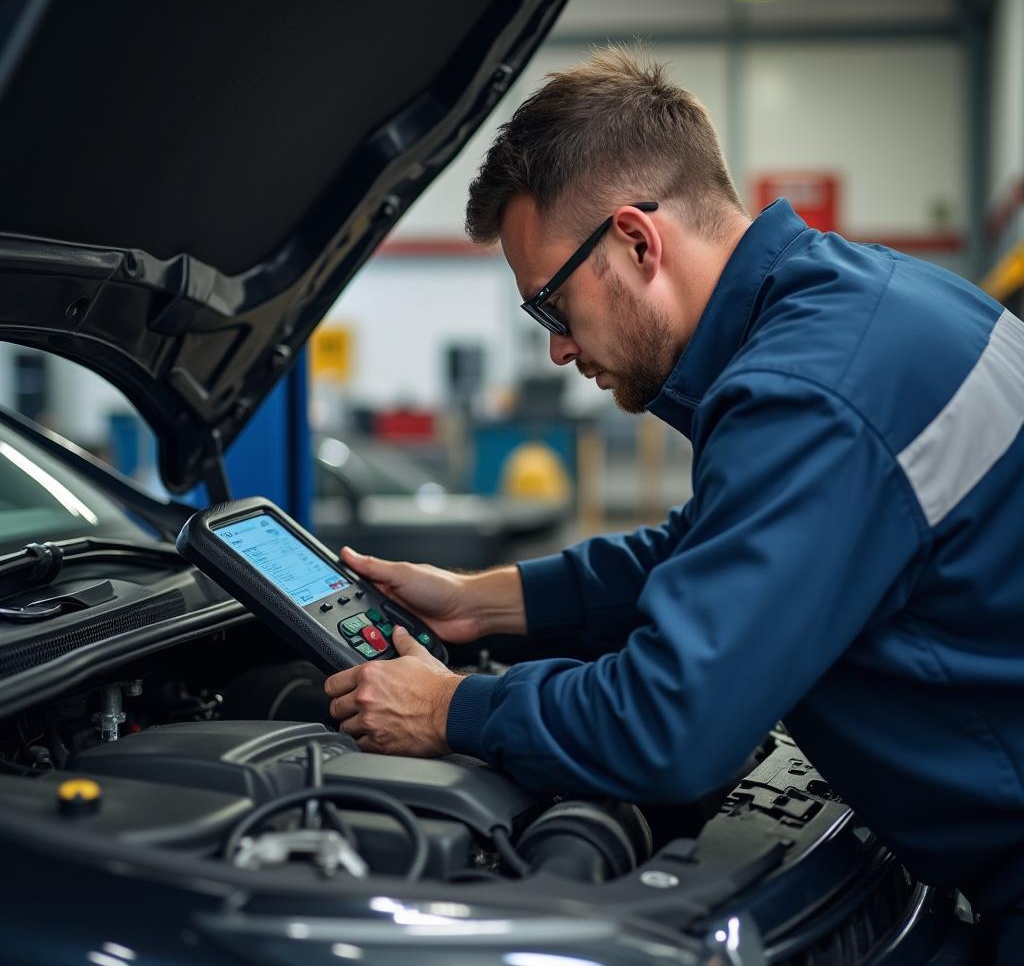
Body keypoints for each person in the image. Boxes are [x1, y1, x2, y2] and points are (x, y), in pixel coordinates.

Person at [323, 46, 1024, 953]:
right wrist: (480, 602)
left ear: (637, 241)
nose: (559, 352)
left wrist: (450, 709)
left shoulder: (810, 394)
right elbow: (711, 547)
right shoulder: (866, 306)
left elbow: (669, 724)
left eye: (550, 307)